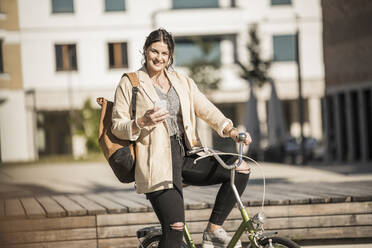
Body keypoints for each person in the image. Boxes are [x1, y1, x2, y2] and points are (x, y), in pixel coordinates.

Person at [111, 28, 252, 248]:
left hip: (187, 155)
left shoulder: (182, 81)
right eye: (154, 51)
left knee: (240, 167)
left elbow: (206, 109)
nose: (158, 57)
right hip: (157, 164)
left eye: (164, 53)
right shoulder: (130, 83)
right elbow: (118, 127)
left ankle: (214, 229)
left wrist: (230, 129)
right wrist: (142, 122)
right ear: (145, 51)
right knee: (175, 228)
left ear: (170, 56)